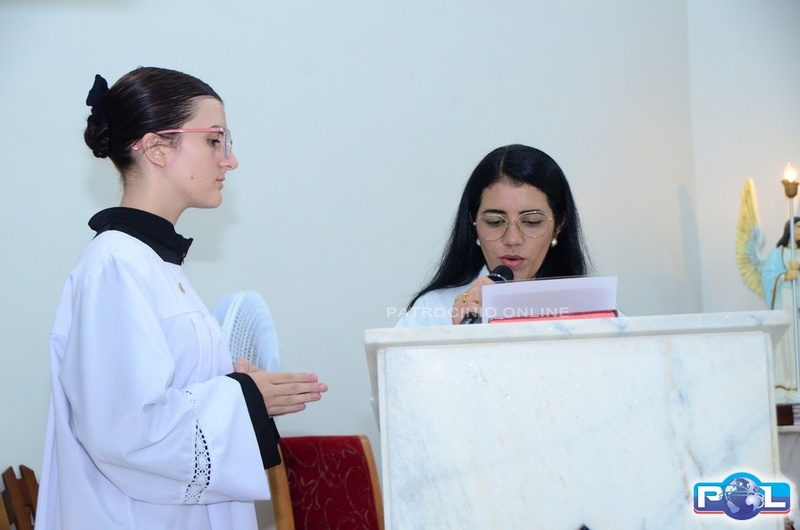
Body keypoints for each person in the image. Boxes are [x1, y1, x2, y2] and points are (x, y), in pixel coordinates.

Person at [37, 67, 328, 530]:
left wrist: (234, 384)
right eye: (214, 140)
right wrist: (243, 397)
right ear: (156, 147)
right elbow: (126, 431)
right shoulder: (116, 265)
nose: (230, 160)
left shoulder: (155, 265)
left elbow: (160, 394)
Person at [396, 144, 591, 327]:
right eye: (495, 222)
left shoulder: (592, 308)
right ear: (473, 222)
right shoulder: (430, 313)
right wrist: (462, 334)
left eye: (531, 222)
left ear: (558, 226)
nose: (512, 239)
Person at [762, 217, 800, 391]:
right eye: (798, 227)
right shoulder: (777, 254)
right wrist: (785, 276)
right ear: (790, 229)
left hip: (798, 305)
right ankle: (786, 380)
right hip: (784, 302)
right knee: (786, 338)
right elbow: (767, 277)